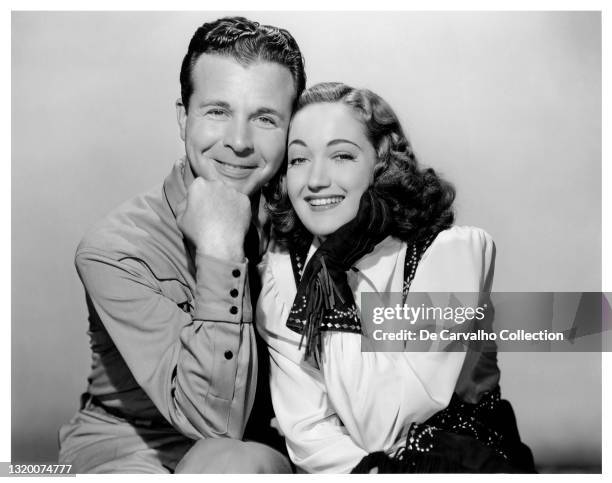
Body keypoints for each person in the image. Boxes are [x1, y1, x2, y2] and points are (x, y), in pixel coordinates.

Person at [58, 16, 305, 473]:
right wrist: (221, 248)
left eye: (265, 118)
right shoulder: (113, 249)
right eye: (217, 111)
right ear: (183, 117)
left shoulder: (308, 220)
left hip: (259, 451)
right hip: (132, 448)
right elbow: (213, 421)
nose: (239, 142)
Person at [257, 82, 536, 473]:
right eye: (299, 159)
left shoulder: (449, 255)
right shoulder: (283, 272)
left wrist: (332, 267)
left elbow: (384, 425)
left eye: (341, 155)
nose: (315, 179)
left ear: (381, 163)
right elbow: (307, 431)